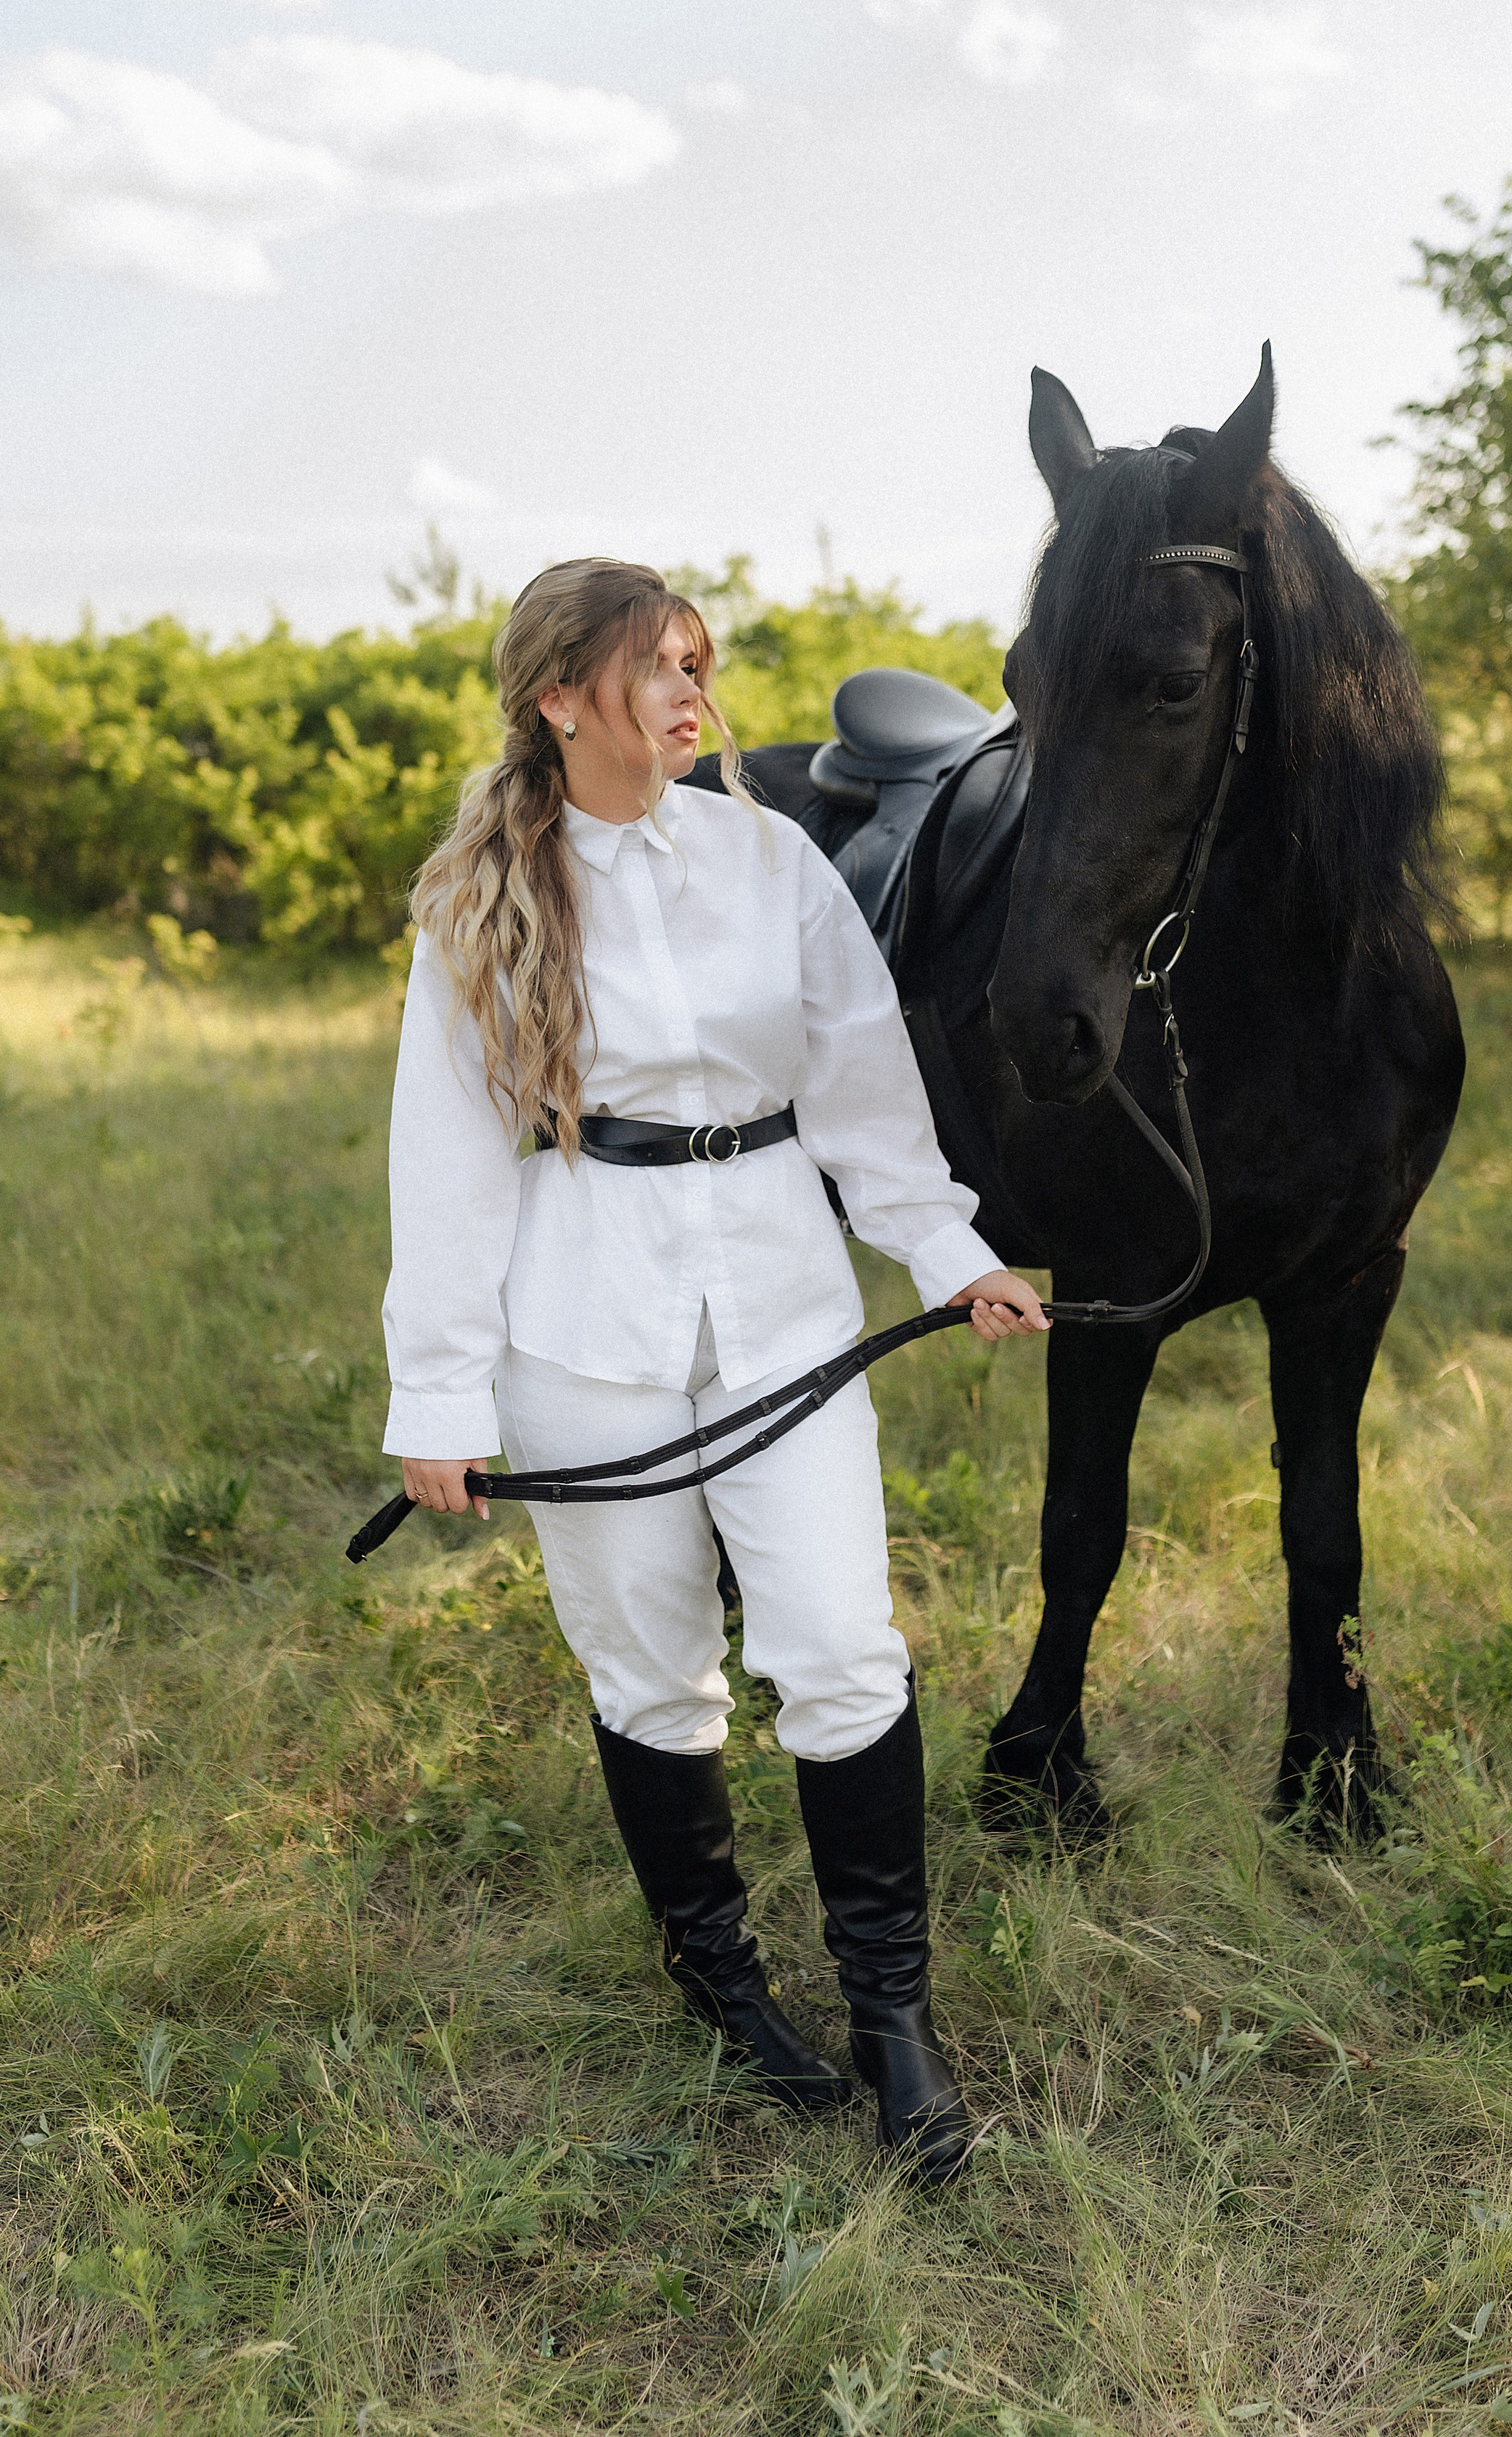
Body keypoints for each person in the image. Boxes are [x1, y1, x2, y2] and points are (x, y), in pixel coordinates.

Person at [381, 556, 1047, 2182]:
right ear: (558, 696)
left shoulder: (771, 860)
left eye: (695, 660)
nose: (691, 690)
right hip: (581, 1321)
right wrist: (441, 1396)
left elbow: (865, 1091)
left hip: (780, 1300)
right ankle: (724, 1987)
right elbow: (451, 1160)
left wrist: (946, 1251)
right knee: (651, 1674)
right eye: (652, 667)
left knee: (838, 1649)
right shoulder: (479, 897)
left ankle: (893, 2016)